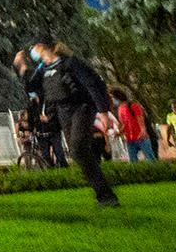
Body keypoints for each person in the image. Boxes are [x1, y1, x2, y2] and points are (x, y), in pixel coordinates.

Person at [20, 39, 119, 206]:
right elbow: (35, 89)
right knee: (77, 151)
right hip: (63, 111)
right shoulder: (43, 69)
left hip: (81, 107)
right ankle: (104, 194)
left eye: (33, 48)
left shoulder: (70, 63)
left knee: (78, 146)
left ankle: (107, 196)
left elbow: (92, 84)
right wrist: (22, 67)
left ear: (41, 46)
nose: (33, 53)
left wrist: (103, 111)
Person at [112, 88, 154, 163]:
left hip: (141, 137)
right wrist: (119, 133)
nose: (112, 100)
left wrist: (143, 130)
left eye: (112, 98)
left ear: (117, 97)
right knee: (133, 162)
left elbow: (140, 118)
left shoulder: (133, 105)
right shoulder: (119, 109)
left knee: (150, 159)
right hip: (130, 139)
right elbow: (125, 124)